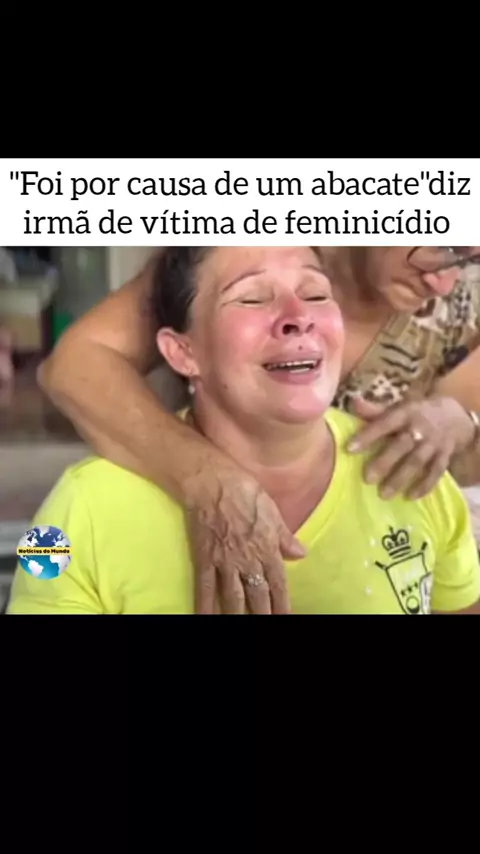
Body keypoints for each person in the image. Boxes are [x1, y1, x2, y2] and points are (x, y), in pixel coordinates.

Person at [8, 246, 480, 615]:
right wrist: (207, 477)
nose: (300, 318)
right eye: (252, 298)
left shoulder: (423, 487)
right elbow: (72, 367)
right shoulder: (79, 511)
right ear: (182, 351)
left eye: (317, 294)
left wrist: (467, 418)